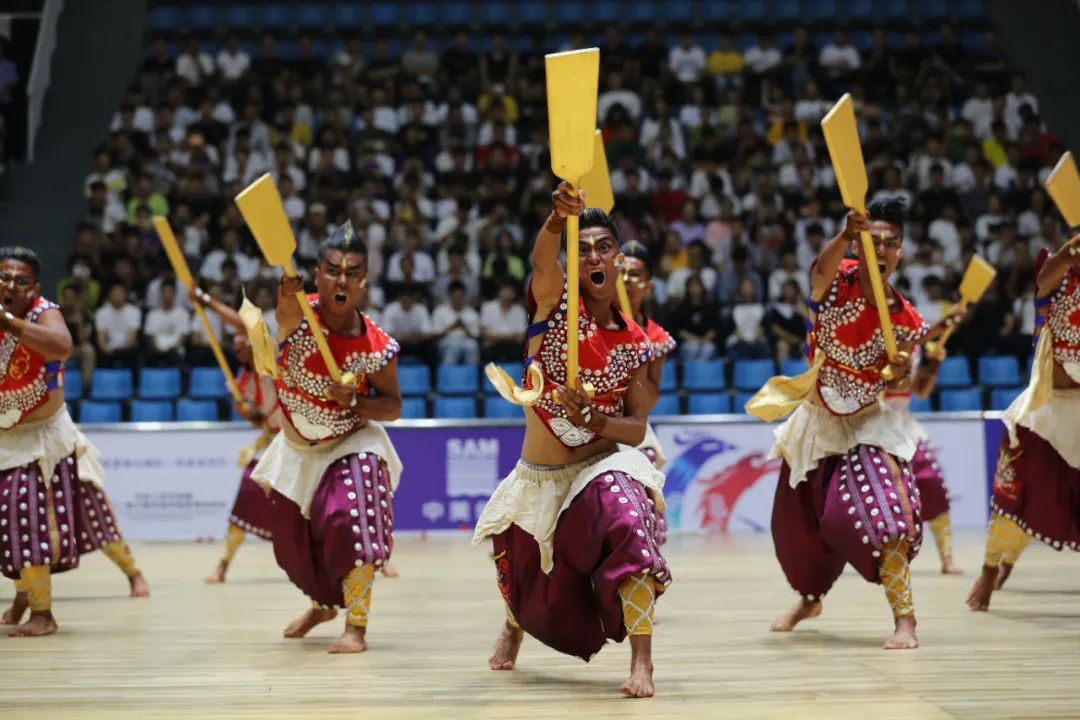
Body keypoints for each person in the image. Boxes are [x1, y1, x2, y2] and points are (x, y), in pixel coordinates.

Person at [473, 186, 669, 698]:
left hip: (597, 467)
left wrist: (597, 421)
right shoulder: (553, 303)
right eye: (582, 249)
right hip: (539, 475)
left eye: (603, 247)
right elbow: (541, 260)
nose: (593, 257)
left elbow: (637, 425)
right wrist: (558, 221)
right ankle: (513, 626)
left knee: (630, 522)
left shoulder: (634, 341)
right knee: (528, 576)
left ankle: (643, 663)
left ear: (617, 259)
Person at [747, 198, 929, 650]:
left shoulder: (905, 318)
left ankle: (905, 620)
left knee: (883, 510)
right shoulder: (837, 281)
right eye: (874, 241)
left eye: (891, 243)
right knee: (797, 533)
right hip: (815, 418)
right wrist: (847, 234)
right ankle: (810, 599)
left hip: (867, 423)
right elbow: (817, 272)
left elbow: (904, 378)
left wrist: (903, 370)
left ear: (901, 252)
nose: (882, 250)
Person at [250, 223, 403, 653]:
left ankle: (356, 626)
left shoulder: (377, 345)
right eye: (333, 270)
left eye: (352, 272)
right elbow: (283, 314)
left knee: (349, 517)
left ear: (364, 282)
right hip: (296, 448)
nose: (342, 279)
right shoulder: (298, 311)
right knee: (291, 548)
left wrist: (356, 401)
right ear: (317, 275)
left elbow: (393, 406)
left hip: (349, 442)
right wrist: (286, 292)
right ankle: (322, 604)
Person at [0, 247, 149, 637]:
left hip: (48, 442)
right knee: (11, 524)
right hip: (6, 440)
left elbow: (62, 346)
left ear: (35, 287)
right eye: (4, 278)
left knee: (83, 513)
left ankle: (125, 577)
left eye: (20, 280)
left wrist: (8, 322)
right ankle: (26, 596)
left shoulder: (43, 313)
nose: (10, 285)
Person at [967, 237, 1080, 611]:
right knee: (1010, 493)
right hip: (1043, 408)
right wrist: (1068, 253)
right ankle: (988, 569)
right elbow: (1045, 280)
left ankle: (1006, 561)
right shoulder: (1059, 271)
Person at [885, 312, 967, 575]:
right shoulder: (879, 346)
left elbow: (920, 391)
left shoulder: (915, 348)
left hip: (905, 426)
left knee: (933, 486)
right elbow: (894, 383)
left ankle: (946, 558)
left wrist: (931, 368)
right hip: (875, 427)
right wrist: (939, 327)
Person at [619, 240, 677, 543]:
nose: (626, 280)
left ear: (648, 286)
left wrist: (634, 364)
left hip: (631, 422)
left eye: (635, 274)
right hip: (589, 421)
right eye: (621, 272)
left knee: (647, 461)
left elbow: (650, 398)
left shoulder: (656, 337)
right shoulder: (589, 323)